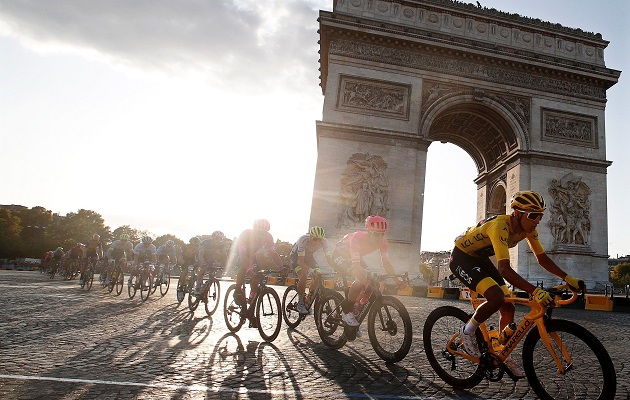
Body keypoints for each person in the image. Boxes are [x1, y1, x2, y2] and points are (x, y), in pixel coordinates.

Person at [449, 190, 584, 379]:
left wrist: (568, 278)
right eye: (533, 215)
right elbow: (504, 269)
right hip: (462, 258)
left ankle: (502, 354)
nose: (538, 220)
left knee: (508, 306)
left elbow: (542, 259)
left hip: (480, 258)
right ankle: (468, 331)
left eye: (541, 215)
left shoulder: (529, 229)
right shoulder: (499, 226)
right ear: (517, 213)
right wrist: (534, 291)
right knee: (496, 297)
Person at [331, 215, 403, 328]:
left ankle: (356, 308)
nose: (379, 237)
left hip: (355, 257)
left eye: (382, 234)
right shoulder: (357, 238)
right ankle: (347, 313)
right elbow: (356, 267)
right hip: (340, 256)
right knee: (361, 280)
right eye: (376, 234)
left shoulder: (383, 242)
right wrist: (365, 283)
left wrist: (397, 280)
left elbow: (386, 263)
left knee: (371, 281)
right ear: (368, 232)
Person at [234, 219, 284, 322]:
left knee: (257, 277)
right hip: (241, 253)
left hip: (253, 255)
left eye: (263, 233)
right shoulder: (246, 234)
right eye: (259, 233)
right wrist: (248, 268)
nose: (261, 235)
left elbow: (273, 253)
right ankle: (237, 289)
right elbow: (243, 255)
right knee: (243, 268)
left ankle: (252, 300)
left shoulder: (268, 236)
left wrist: (281, 267)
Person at [289, 226, 335, 315]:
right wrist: (310, 270)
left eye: (319, 239)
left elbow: (328, 258)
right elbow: (301, 262)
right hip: (296, 257)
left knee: (318, 275)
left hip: (309, 257)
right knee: (304, 275)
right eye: (315, 239)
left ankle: (309, 298)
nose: (317, 241)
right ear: (310, 236)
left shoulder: (324, 241)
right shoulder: (303, 240)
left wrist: (336, 268)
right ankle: (301, 302)